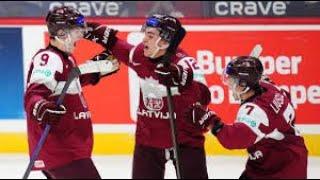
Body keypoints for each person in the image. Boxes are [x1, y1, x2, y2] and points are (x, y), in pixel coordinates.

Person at [84, 14, 211, 178]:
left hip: (184, 140)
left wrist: (181, 79)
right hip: (149, 139)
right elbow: (122, 49)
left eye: (150, 36)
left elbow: (205, 97)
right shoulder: (139, 54)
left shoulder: (184, 63)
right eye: (145, 34)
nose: (144, 39)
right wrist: (99, 34)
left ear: (165, 41)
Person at [24, 6, 119, 179]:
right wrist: (41, 107)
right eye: (75, 31)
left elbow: (70, 83)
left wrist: (94, 71)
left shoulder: (66, 58)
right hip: (61, 151)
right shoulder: (49, 58)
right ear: (61, 33)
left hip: (69, 149)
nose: (80, 35)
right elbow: (33, 94)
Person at [185, 56, 308, 179]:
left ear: (244, 84)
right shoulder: (269, 87)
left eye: (233, 81)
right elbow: (285, 97)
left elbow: (233, 139)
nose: (229, 84)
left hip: (282, 169)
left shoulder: (258, 112)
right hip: (267, 161)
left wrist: (210, 120)